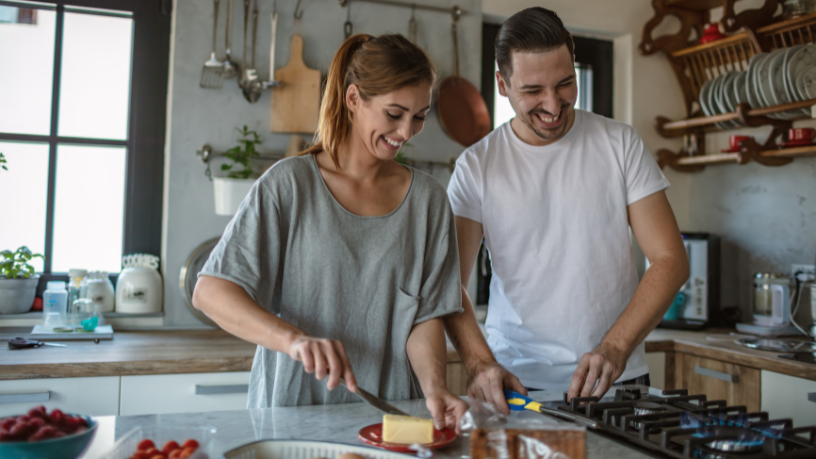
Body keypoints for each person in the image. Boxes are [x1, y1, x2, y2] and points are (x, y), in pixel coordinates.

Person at [193, 33, 468, 430]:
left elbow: (424, 316)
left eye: (419, 116)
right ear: (354, 99)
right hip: (292, 415)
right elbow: (211, 292)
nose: (407, 132)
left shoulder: (429, 201)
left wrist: (434, 388)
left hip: (390, 419)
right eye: (394, 114)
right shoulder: (288, 185)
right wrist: (294, 341)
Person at [443, 7, 689, 411]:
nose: (553, 105)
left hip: (618, 381)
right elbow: (450, 283)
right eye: (533, 91)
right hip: (516, 387)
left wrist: (615, 346)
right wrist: (478, 362)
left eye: (565, 84)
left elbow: (670, 258)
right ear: (503, 84)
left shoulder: (620, 144)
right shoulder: (477, 166)